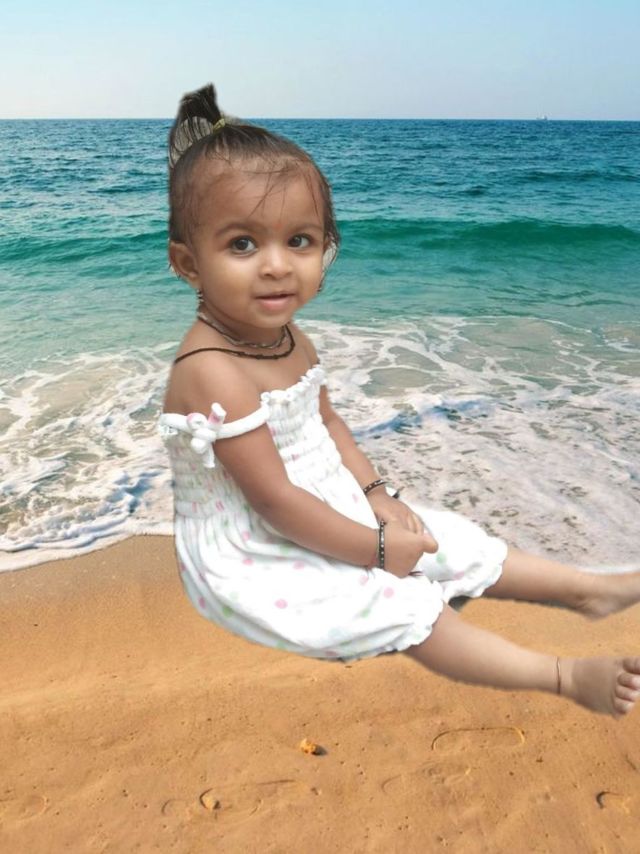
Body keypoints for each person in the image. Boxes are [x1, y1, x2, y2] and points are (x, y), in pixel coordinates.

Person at [159, 83, 640, 718]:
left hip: (320, 500)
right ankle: (564, 675)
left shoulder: (286, 336)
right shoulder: (212, 371)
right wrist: (378, 551)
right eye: (243, 245)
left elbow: (325, 421)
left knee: (449, 540)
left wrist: (378, 497)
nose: (277, 266)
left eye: (299, 241)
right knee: (402, 604)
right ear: (189, 263)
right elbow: (274, 503)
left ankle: (589, 591)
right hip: (253, 543)